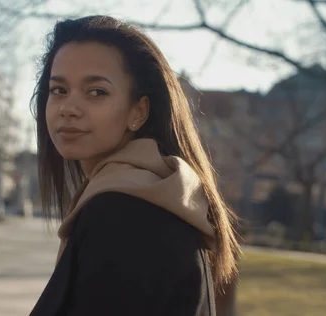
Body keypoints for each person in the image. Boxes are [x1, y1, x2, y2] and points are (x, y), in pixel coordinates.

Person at [29, 16, 241, 316]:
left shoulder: (122, 213)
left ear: (138, 112)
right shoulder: (158, 196)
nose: (69, 109)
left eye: (96, 92)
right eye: (59, 90)